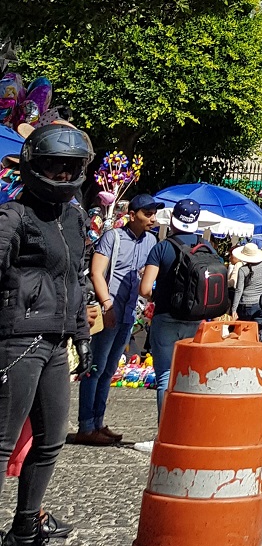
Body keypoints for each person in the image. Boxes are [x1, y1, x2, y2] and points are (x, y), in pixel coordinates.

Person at [0, 120, 95, 546]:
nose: (62, 176)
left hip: (57, 343)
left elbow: (75, 279)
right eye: (55, 167)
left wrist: (82, 335)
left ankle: (24, 530)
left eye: (70, 168)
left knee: (51, 440)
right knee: (1, 445)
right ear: (36, 166)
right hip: (18, 340)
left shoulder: (74, 218)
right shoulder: (12, 217)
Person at [69, 192, 161, 447]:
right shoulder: (113, 237)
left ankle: (98, 422)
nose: (152, 218)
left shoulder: (152, 241)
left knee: (109, 370)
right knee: (95, 368)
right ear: (132, 215)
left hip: (130, 313)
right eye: (147, 213)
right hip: (110, 311)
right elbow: (97, 273)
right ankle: (86, 426)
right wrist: (107, 305)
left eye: (154, 213)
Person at [139, 199, 215, 417]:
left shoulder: (162, 247)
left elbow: (145, 289)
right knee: (191, 377)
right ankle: (187, 431)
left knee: (165, 376)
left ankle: (165, 432)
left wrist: (159, 295)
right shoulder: (207, 247)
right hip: (196, 320)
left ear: (173, 220)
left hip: (166, 317)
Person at [229, 242, 262, 329]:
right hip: (260, 304)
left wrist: (234, 309)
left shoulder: (243, 270)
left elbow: (239, 290)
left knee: (242, 332)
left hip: (246, 305)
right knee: (256, 331)